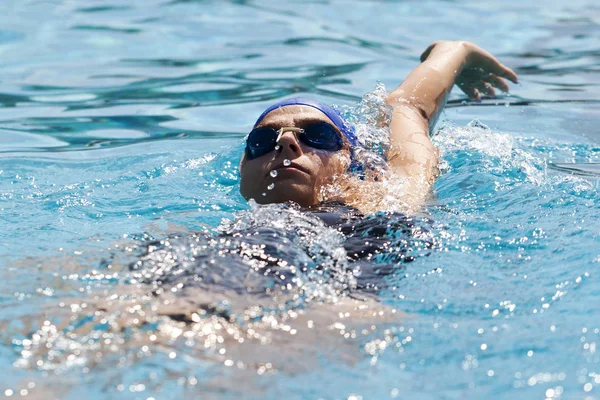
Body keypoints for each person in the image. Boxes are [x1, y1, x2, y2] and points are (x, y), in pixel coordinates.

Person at [239, 40, 519, 213]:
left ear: (352, 160)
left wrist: (456, 52)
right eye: (263, 140)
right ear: (243, 168)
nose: (286, 143)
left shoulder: (389, 199)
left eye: (319, 136)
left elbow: (407, 108)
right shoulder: (212, 235)